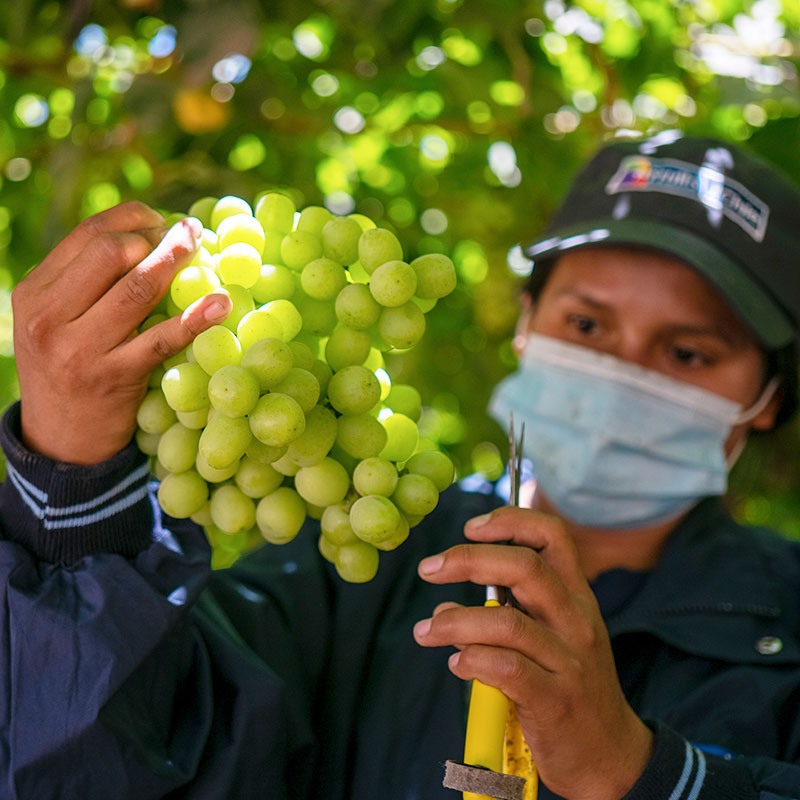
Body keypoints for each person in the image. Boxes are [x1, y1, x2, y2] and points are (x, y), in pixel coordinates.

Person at [1, 131, 799, 800]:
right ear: (527, 326)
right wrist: (73, 487)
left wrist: (650, 776)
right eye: (588, 323)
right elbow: (107, 762)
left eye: (689, 351)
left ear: (766, 396)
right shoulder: (368, 562)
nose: (626, 376)